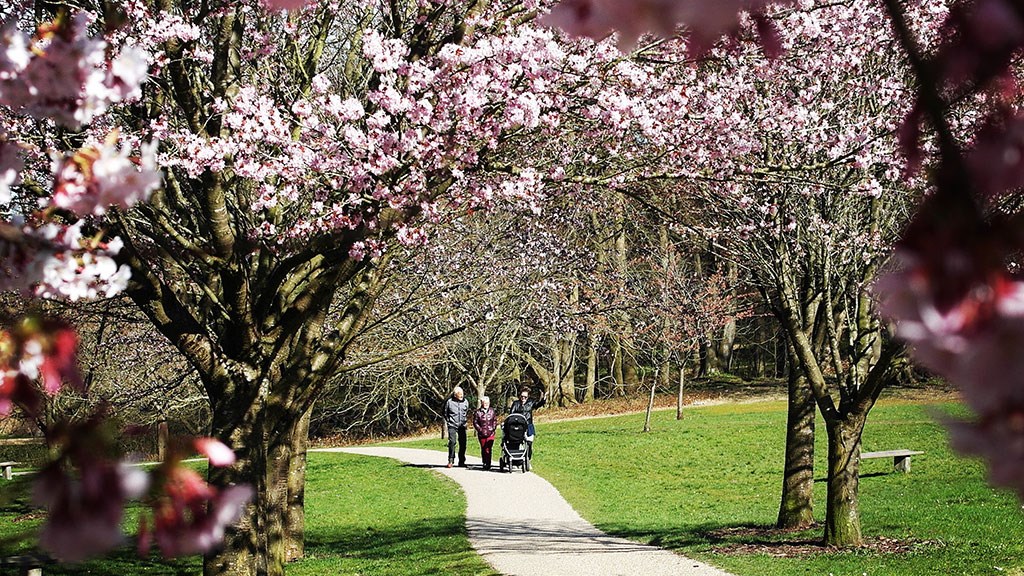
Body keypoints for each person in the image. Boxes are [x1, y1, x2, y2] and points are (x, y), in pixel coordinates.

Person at [510, 387, 546, 457]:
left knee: (529, 443)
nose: (523, 398)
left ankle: (527, 459)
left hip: (528, 424)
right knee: (516, 442)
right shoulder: (516, 403)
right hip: (519, 426)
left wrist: (543, 399)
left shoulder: (531, 402)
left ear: (528, 397)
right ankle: (516, 458)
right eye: (522, 396)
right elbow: (512, 414)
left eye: (525, 397)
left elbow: (538, 405)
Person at [443, 386, 469, 468]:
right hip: (452, 425)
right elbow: (445, 412)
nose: (461, 396)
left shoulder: (466, 402)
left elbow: (467, 411)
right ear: (455, 395)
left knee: (463, 443)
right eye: (459, 394)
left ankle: (462, 461)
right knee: (452, 442)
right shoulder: (449, 402)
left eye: (462, 394)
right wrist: (449, 421)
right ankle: (451, 460)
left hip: (462, 425)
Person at [472, 396, 498, 470]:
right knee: (484, 448)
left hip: (491, 433)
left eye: (487, 403)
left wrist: (493, 428)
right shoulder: (477, 412)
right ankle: (484, 462)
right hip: (482, 434)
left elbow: (495, 420)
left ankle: (488, 463)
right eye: (484, 403)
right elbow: (475, 422)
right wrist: (480, 430)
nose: (486, 404)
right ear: (482, 403)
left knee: (489, 448)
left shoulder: (492, 411)